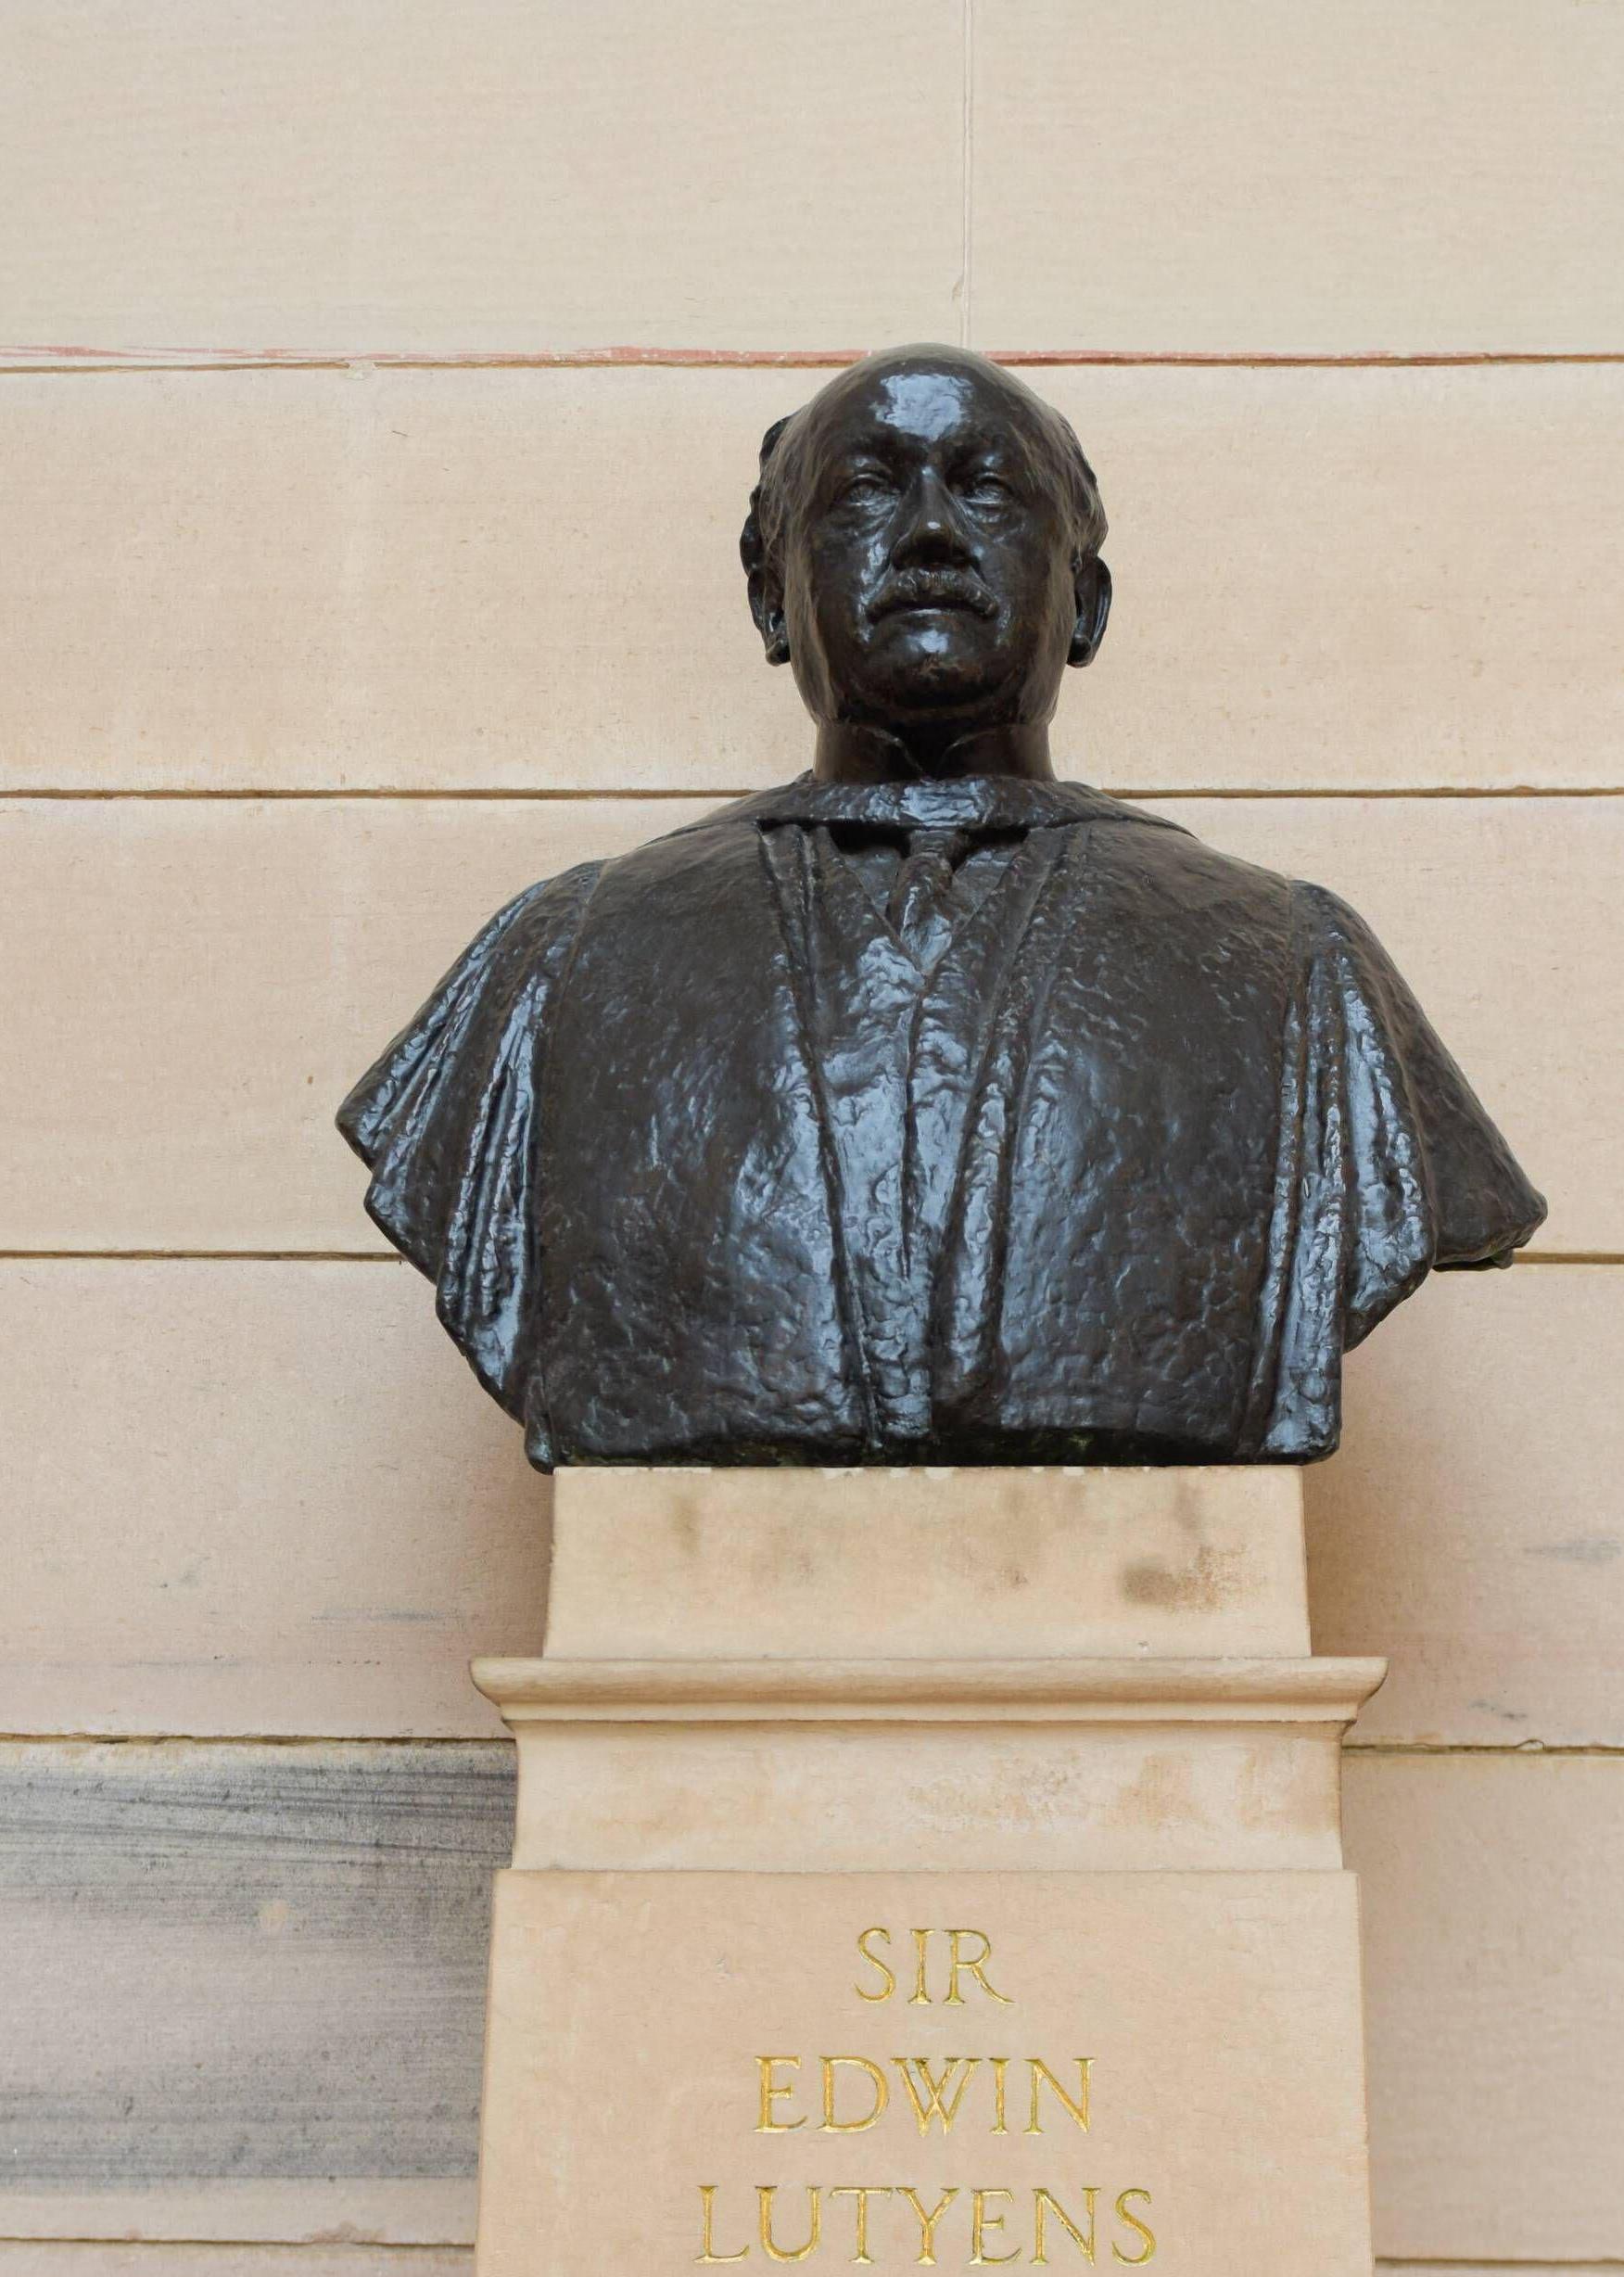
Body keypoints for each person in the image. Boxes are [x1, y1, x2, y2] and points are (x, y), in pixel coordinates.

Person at [339, 344, 1542, 1467]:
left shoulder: (1296, 969)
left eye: (989, 493)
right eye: (865, 493)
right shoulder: (562, 963)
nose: (926, 535)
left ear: (1088, 604)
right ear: (771, 597)